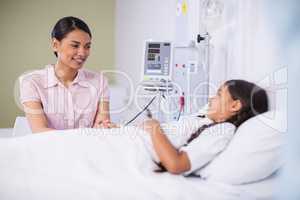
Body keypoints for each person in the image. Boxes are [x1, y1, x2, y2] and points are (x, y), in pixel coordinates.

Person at [140, 79, 269, 175]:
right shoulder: (206, 119)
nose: (211, 98)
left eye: (219, 94)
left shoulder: (223, 130)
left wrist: (155, 126)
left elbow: (176, 164)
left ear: (234, 106)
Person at [19, 16, 114, 133]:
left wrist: (105, 128)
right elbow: (40, 131)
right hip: (47, 149)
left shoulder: (99, 81)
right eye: (75, 45)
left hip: (87, 149)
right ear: (55, 45)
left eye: (87, 46)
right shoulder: (32, 82)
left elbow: (102, 127)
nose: (82, 53)